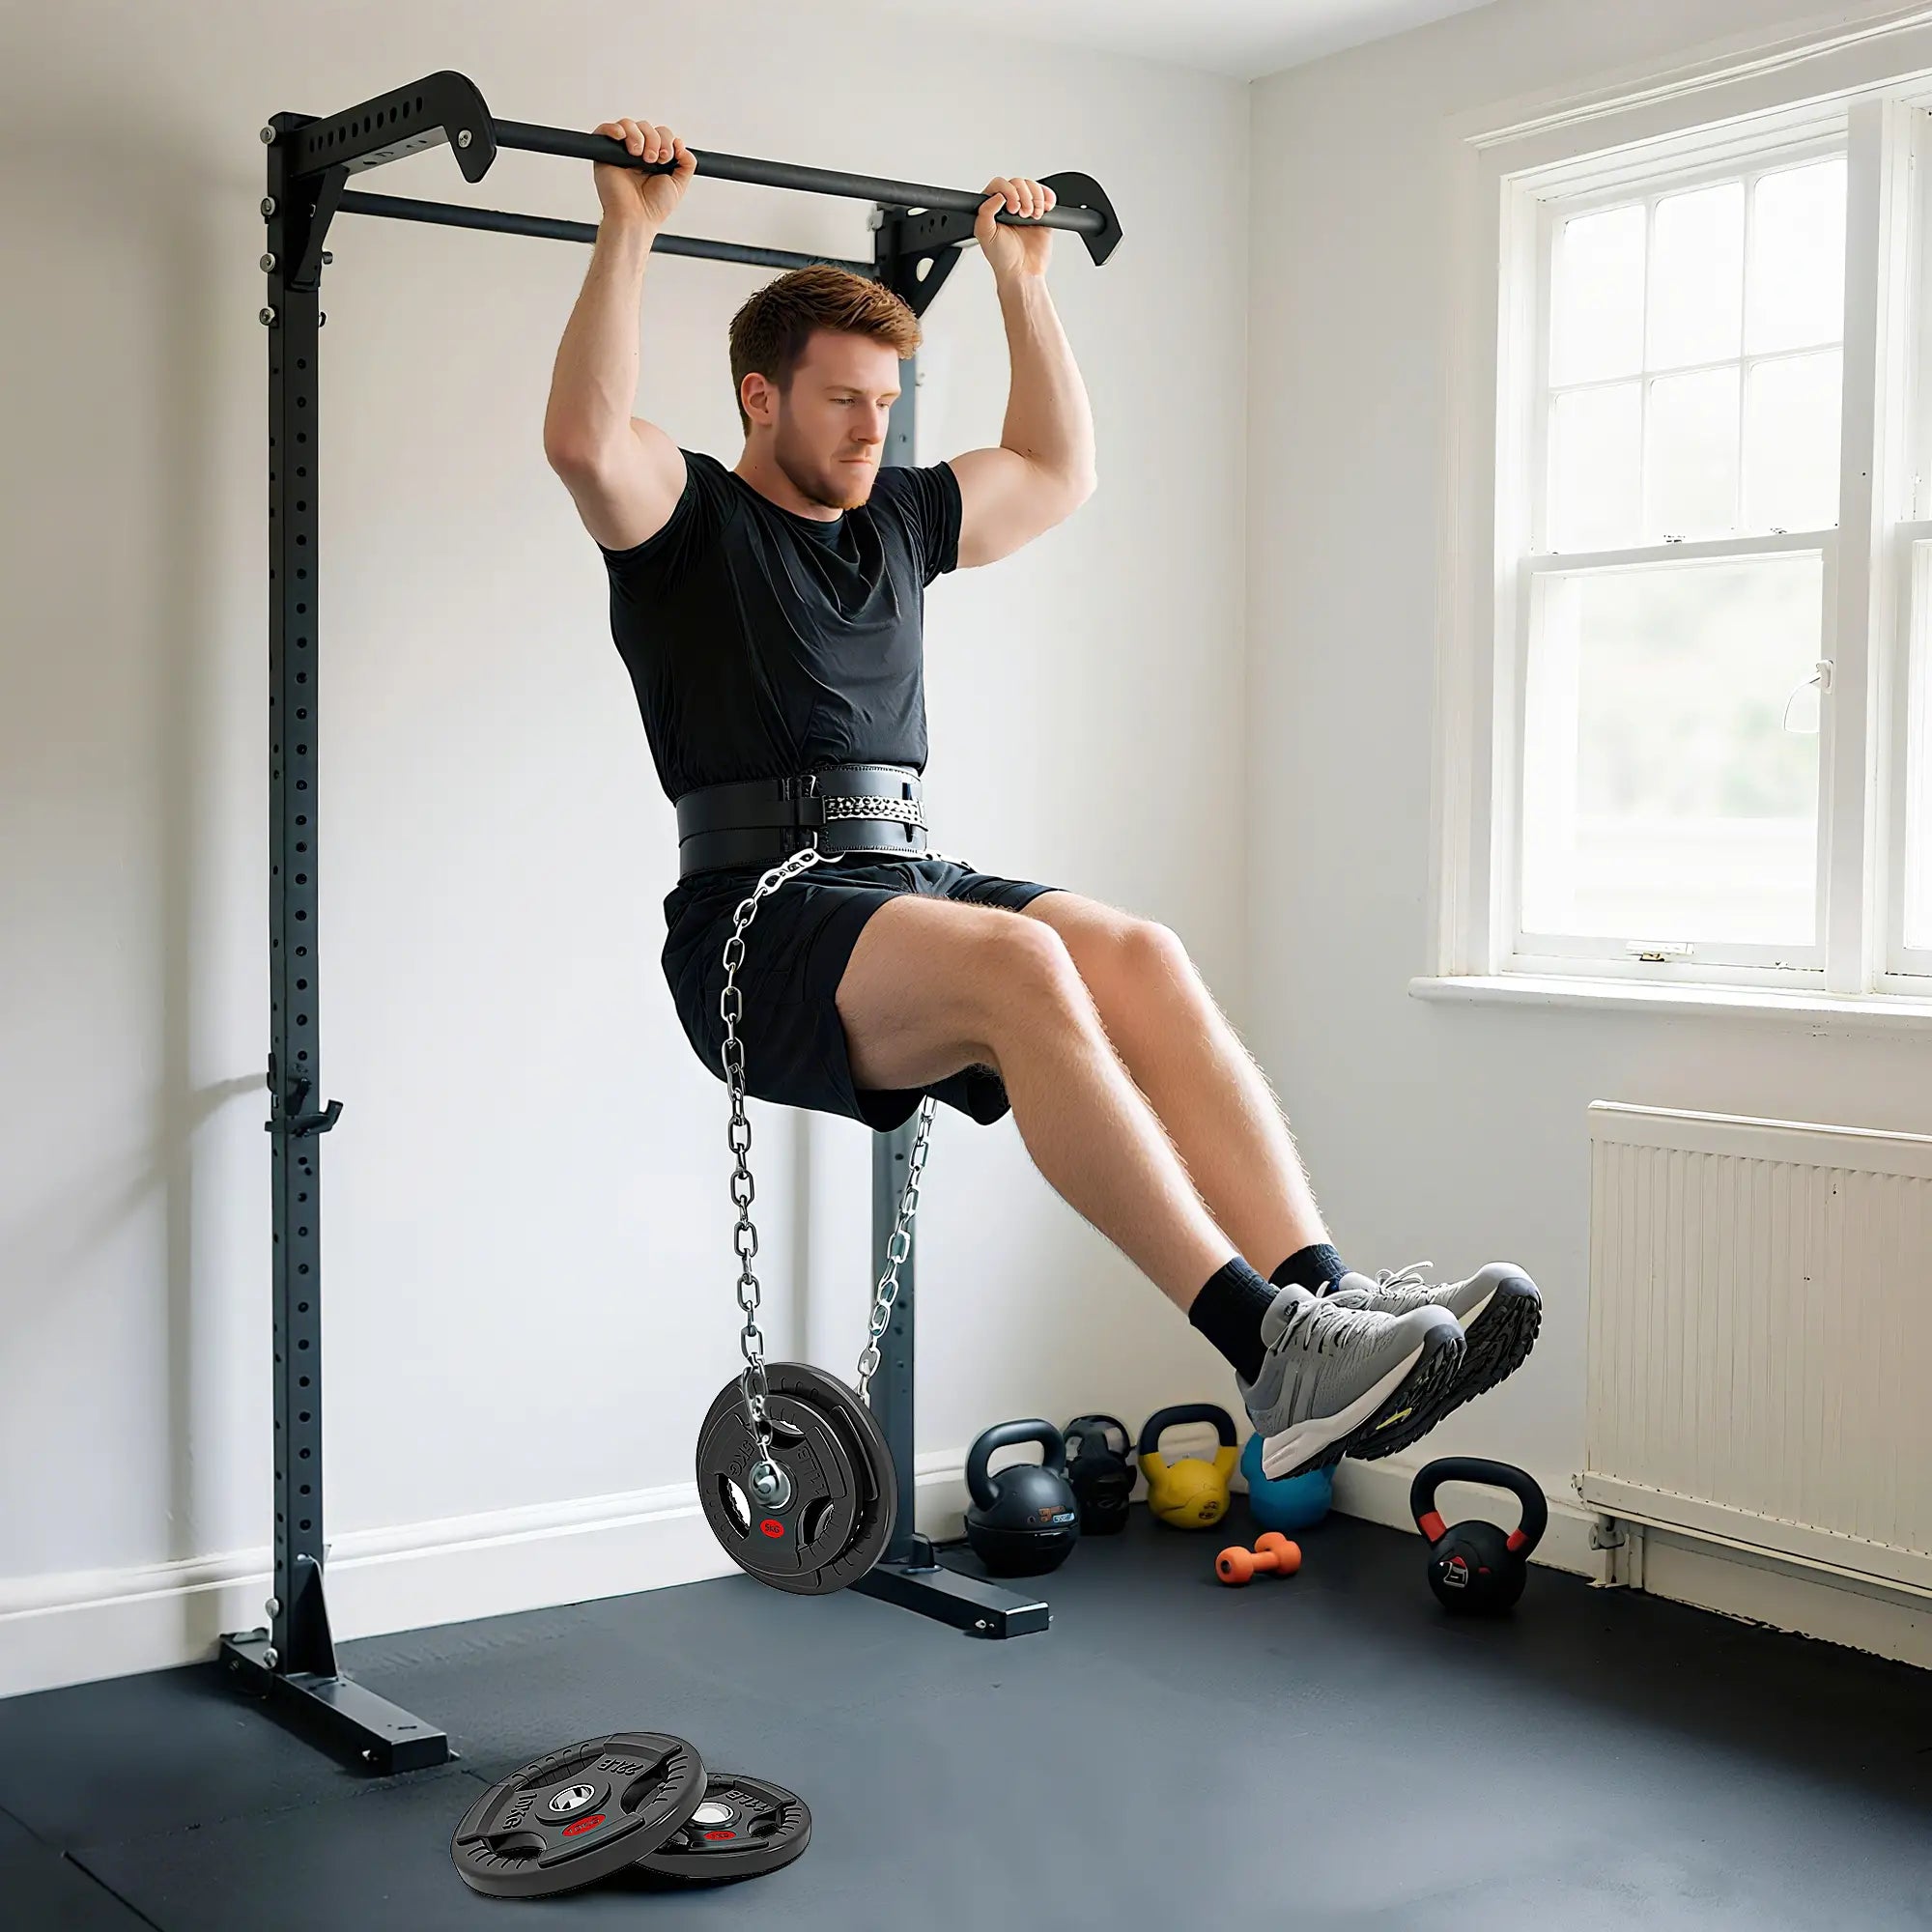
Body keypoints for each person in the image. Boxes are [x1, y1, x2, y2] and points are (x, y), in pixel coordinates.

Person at [542, 115, 1540, 1481]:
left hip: (901, 883)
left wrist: (1021, 280)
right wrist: (628, 227)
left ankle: (1325, 1301)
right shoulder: (688, 522)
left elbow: (1060, 471)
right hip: (755, 927)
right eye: (842, 400)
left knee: (1138, 952)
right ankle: (1266, 1352)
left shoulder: (897, 522)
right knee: (1023, 965)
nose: (873, 425)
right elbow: (585, 438)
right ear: (760, 398)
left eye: (888, 399)